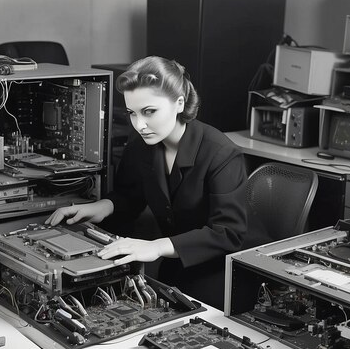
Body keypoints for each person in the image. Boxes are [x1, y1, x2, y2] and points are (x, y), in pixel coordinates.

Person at [45, 56, 247, 309]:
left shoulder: (222, 155)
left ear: (179, 103)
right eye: (132, 113)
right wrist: (100, 207)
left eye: (149, 111)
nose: (139, 124)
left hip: (222, 275)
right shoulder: (142, 145)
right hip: (173, 267)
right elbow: (130, 196)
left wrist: (156, 246)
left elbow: (228, 234)